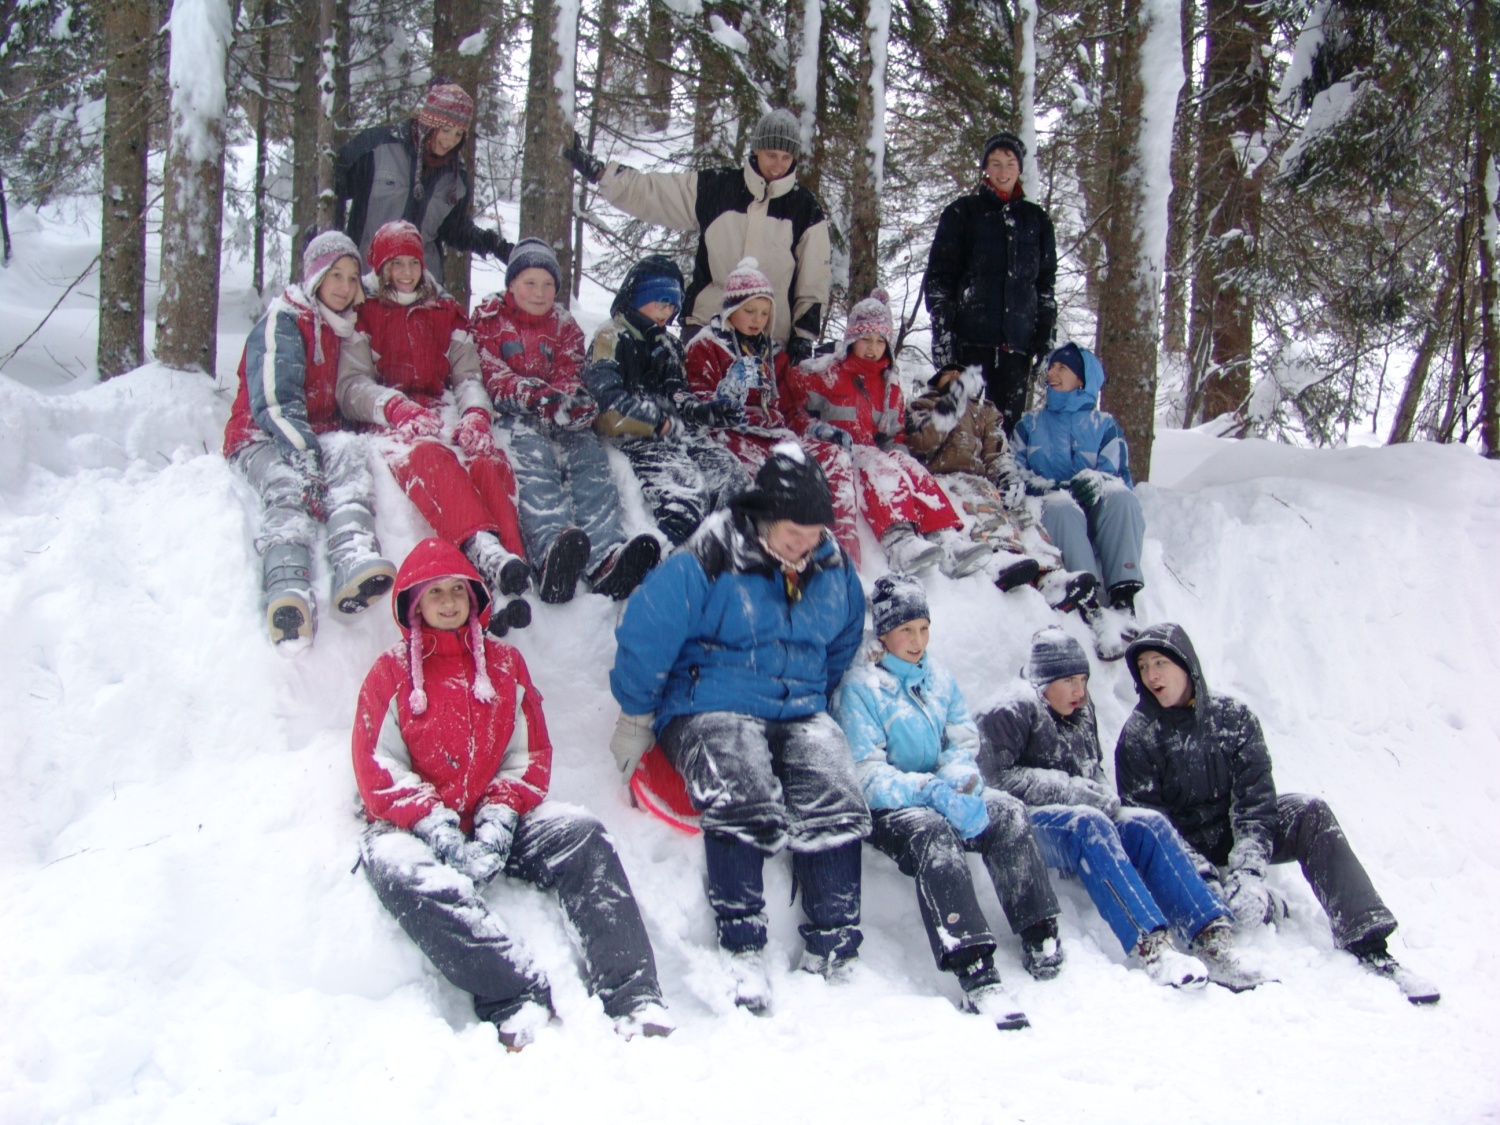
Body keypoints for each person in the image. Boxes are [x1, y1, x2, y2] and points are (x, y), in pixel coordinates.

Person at [352, 537, 672, 1050]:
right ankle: (513, 994)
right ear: (413, 602)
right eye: (436, 592)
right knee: (400, 871)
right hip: (413, 826)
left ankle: (632, 995)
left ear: (475, 597)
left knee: (582, 834)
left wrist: (499, 816)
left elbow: (530, 752)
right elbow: (376, 762)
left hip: (497, 817)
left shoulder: (504, 664)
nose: (450, 601)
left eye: (459, 590)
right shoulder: (390, 672)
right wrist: (434, 825)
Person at [608, 446, 871, 1014]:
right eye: (794, 534)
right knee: (739, 783)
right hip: (709, 701)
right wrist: (635, 716)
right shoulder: (711, 554)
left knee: (833, 784)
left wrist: (814, 699)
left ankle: (834, 944)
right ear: (764, 517)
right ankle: (742, 944)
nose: (806, 545)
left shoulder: (831, 564)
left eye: (815, 534)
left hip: (797, 705)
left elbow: (846, 636)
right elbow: (648, 631)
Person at [1116, 623, 1440, 1005]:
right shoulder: (1138, 736)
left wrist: (1249, 872)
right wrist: (1201, 875)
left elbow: (1255, 802)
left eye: (1159, 663)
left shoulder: (1234, 718)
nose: (1151, 675)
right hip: (1181, 850)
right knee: (1199, 882)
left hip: (1234, 832)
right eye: (1143, 667)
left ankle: (1366, 938)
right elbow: (1152, 825)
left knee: (1309, 811)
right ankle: (1263, 907)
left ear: (1187, 664)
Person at [831, 575, 1063, 1030]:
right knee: (935, 836)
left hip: (941, 788)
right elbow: (866, 772)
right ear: (884, 634)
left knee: (1007, 812)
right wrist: (928, 791)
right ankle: (975, 967)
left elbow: (961, 739)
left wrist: (959, 779)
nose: (917, 641)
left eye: (923, 628)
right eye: (905, 630)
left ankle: (1040, 932)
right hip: (891, 806)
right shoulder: (862, 687)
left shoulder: (937, 677)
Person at [977, 627, 1265, 991]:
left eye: (1083, 680)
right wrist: (1076, 792)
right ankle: (1152, 946)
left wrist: (1099, 794)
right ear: (1044, 681)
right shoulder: (1008, 709)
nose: (1080, 691)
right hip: (1020, 823)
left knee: (1147, 824)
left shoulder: (1081, 710)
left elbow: (1091, 769)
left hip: (1079, 812)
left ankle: (1212, 937)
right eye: (1069, 681)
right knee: (1089, 823)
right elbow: (994, 779)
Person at [336, 220, 533, 633]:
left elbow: (467, 376)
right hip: (393, 420)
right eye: (396, 264)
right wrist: (394, 407)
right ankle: (481, 549)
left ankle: (510, 576)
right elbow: (351, 385)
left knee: (487, 459)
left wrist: (475, 413)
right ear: (381, 268)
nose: (407, 273)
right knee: (430, 458)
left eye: (413, 263)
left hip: (441, 408)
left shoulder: (445, 310)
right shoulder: (364, 312)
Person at [223, 230, 395, 644]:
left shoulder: (339, 326)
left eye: (352, 278)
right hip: (261, 435)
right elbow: (274, 401)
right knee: (288, 487)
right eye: (336, 275)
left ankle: (353, 557)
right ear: (316, 276)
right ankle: (287, 590)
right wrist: (306, 460)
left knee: (350, 453)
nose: (345, 287)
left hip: (314, 434)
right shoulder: (284, 320)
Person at [471, 237, 661, 602]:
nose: (539, 292)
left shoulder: (564, 324)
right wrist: (536, 396)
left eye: (548, 284)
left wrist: (572, 402)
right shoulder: (489, 319)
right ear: (511, 284)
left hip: (555, 411)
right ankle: (550, 553)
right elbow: (492, 375)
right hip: (513, 414)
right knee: (534, 464)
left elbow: (570, 369)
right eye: (530, 283)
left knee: (588, 456)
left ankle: (606, 554)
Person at [563, 108, 830, 359]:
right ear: (757, 149)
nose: (778, 166)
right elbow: (657, 193)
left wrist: (803, 337)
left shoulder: (805, 209)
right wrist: (603, 175)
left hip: (769, 338)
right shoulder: (717, 188)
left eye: (786, 157)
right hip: (707, 327)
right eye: (771, 155)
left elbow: (813, 283)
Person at [784, 290, 989, 578]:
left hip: (872, 452)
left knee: (908, 465)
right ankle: (899, 540)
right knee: (878, 463)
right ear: (851, 338)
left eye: (880, 341)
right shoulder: (824, 374)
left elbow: (894, 435)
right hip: (839, 455)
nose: (872, 348)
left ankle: (946, 538)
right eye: (866, 339)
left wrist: (898, 455)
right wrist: (816, 429)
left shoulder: (890, 385)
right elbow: (790, 410)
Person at [683, 256, 861, 562]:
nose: (758, 319)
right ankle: (773, 557)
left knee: (833, 459)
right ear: (730, 309)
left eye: (765, 313)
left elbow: (791, 412)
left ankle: (841, 557)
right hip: (733, 436)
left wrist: (817, 429)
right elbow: (697, 407)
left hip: (778, 436)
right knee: (774, 481)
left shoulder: (774, 355)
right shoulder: (705, 346)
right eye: (749, 310)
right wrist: (726, 395)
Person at [582, 253, 750, 546]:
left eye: (672, 305)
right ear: (638, 297)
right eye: (661, 302)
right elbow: (605, 399)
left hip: (673, 432)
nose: (667, 311)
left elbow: (678, 395)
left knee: (730, 475)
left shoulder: (669, 345)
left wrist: (705, 412)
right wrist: (653, 421)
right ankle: (671, 553)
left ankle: (730, 548)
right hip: (634, 435)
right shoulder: (611, 337)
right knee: (686, 491)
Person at [1013, 342, 1145, 654]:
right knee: (1062, 507)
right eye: (1052, 367)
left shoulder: (1105, 426)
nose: (1052, 373)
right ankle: (1091, 601)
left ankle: (1124, 599)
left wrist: (1098, 481)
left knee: (1122, 500)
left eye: (1062, 368)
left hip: (1096, 507)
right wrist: (1046, 487)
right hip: (1055, 507)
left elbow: (1120, 476)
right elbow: (1015, 472)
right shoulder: (1029, 424)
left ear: (1082, 380)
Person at [925, 130, 1057, 433]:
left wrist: (1044, 335)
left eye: (1010, 163)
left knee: (1004, 434)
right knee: (960, 431)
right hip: (969, 344)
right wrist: (943, 330)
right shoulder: (962, 213)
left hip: (1017, 348)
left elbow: (1045, 286)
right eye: (995, 163)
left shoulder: (1037, 221)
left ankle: (1003, 467)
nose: (1003, 171)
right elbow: (940, 277)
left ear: (1020, 168)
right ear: (985, 167)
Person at [904, 364, 1064, 594]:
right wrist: (948, 408)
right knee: (979, 498)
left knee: (1021, 511)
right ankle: (1003, 556)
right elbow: (921, 443)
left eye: (961, 374)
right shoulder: (923, 405)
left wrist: (1006, 475)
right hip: (945, 478)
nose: (957, 377)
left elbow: (996, 450)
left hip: (983, 481)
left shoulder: (984, 410)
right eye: (950, 374)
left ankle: (1051, 575)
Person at [333, 81, 512, 279]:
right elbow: (332, 186)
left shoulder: (455, 177)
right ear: (429, 123)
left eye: (458, 133)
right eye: (445, 129)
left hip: (421, 285)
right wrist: (330, 242)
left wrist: (494, 245)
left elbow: (455, 229)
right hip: (370, 278)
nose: (450, 141)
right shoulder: (377, 147)